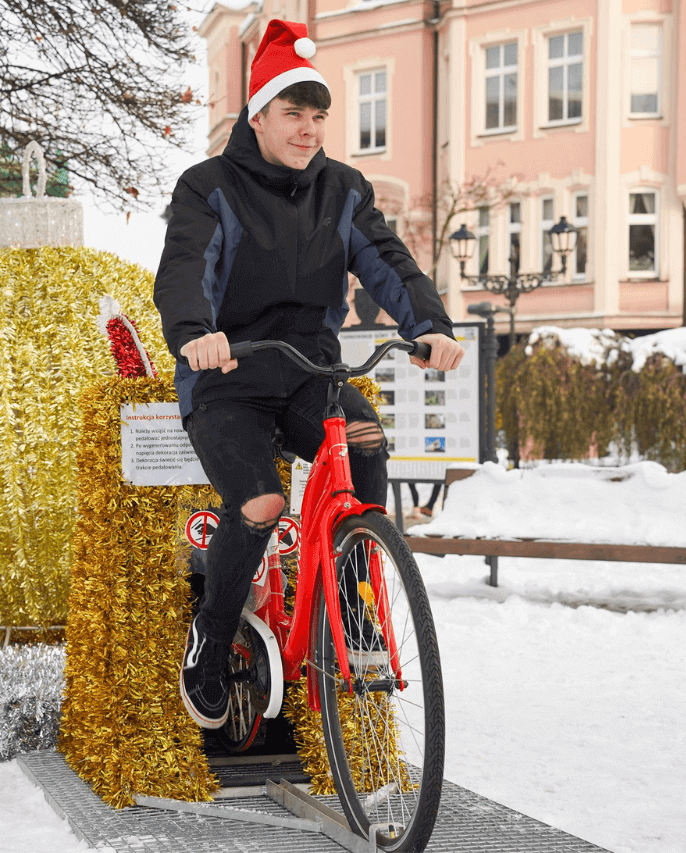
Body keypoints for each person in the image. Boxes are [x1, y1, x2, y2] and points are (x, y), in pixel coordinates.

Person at [153, 18, 465, 729]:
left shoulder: (343, 190)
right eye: (294, 113)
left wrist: (429, 325)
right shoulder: (209, 187)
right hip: (227, 375)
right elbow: (184, 270)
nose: (309, 129)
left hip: (308, 372)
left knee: (363, 436)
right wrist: (195, 334)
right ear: (257, 115)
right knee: (259, 502)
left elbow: (388, 262)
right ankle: (211, 633)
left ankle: (356, 610)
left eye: (319, 116)